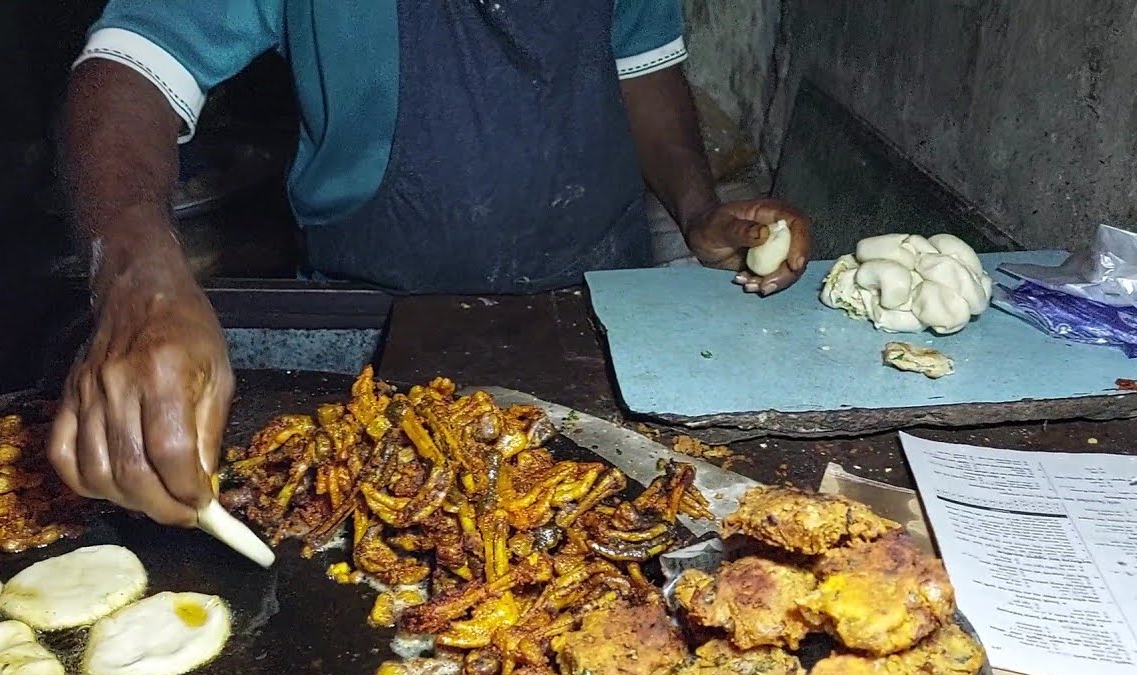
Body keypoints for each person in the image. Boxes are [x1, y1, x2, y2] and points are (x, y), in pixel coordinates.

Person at [48, 0, 813, 526]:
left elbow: (642, 67)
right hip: (378, 331)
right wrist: (136, 275)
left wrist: (699, 211)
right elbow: (132, 65)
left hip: (596, 318)